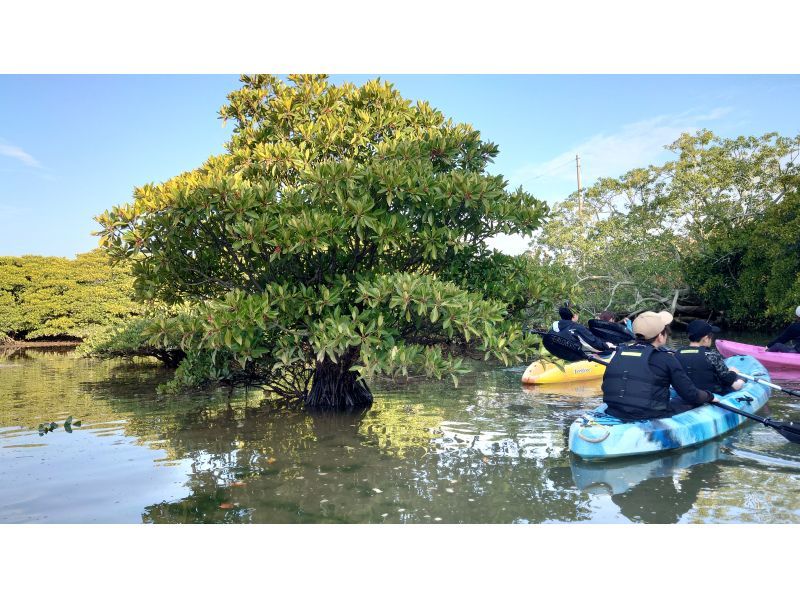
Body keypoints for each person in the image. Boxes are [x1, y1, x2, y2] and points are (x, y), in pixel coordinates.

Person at [601, 310, 715, 420]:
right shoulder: (666, 359)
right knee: (688, 402)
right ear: (660, 336)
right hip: (649, 415)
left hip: (613, 410)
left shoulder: (618, 354)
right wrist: (709, 396)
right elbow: (691, 395)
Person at [675, 320, 744, 395]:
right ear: (705, 338)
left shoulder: (678, 353)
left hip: (687, 393)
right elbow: (727, 379)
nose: (711, 339)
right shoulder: (711, 354)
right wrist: (733, 372)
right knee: (739, 382)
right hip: (711, 394)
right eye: (711, 336)